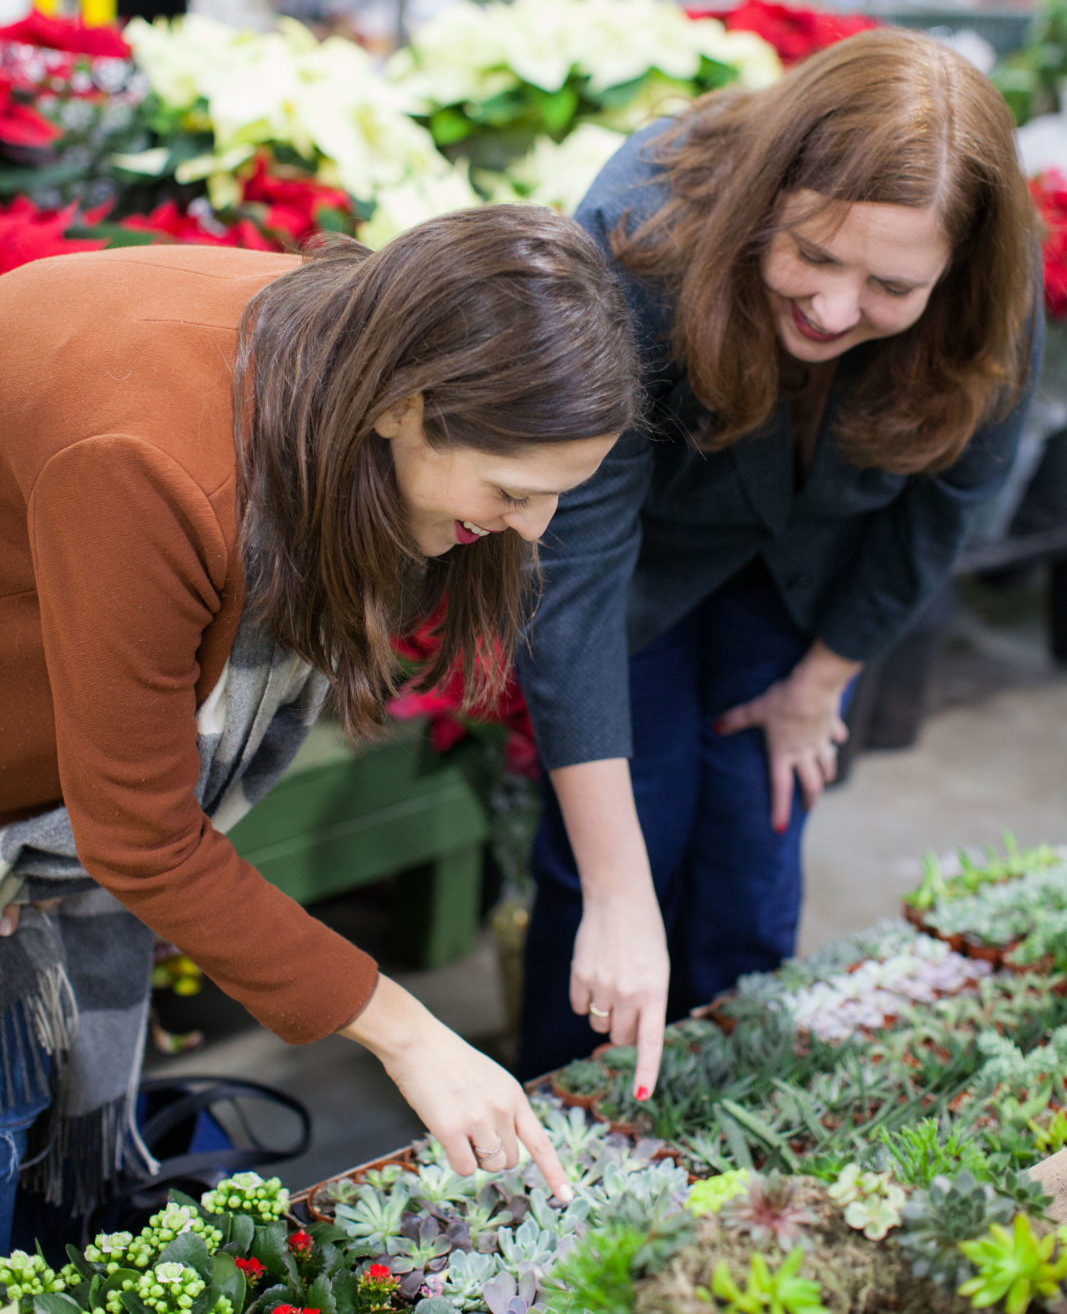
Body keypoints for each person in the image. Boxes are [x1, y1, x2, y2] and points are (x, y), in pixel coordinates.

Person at [0, 204, 641, 1252]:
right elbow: (141, 836)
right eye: (513, 490)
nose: (532, 530)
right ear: (405, 404)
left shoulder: (339, 347)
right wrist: (406, 1031)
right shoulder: (157, 462)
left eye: (557, 495)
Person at [515, 28, 1043, 1095]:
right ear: (765, 195)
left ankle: (730, 1123)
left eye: (891, 286)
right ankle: (563, 1127)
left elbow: (941, 511)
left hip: (806, 572)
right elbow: (572, 567)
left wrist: (821, 681)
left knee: (752, 860)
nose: (837, 309)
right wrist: (619, 898)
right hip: (639, 575)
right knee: (618, 858)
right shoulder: (638, 232)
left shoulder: (987, 297)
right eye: (811, 254)